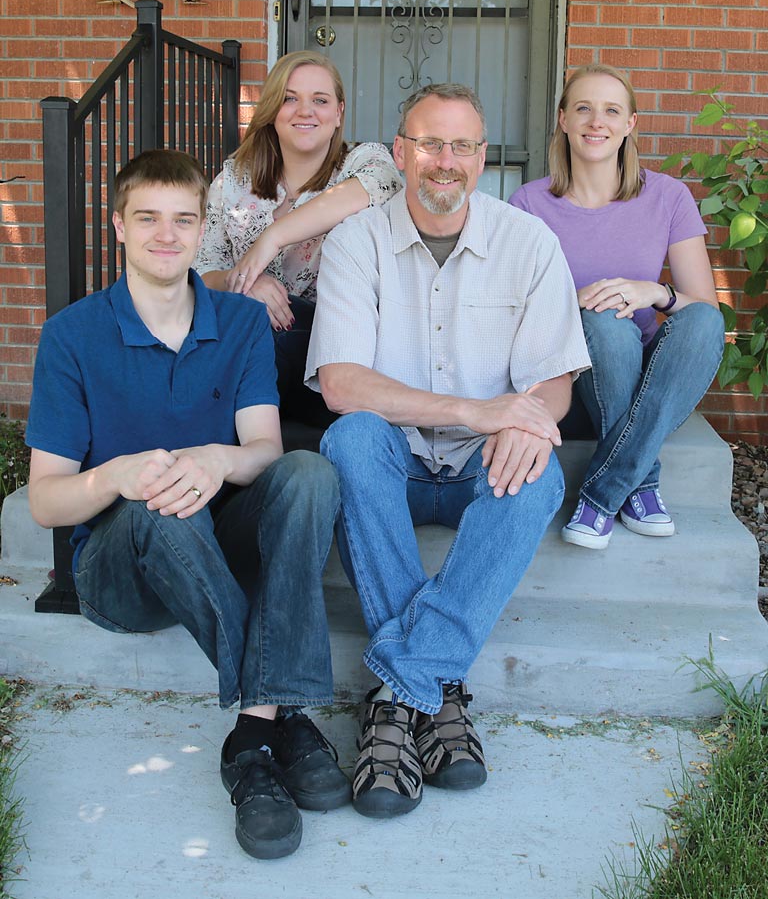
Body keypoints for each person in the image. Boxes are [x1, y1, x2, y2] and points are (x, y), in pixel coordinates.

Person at [25, 149, 349, 861]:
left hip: (213, 547)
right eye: (148, 219)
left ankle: (252, 736)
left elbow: (264, 448)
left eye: (182, 220)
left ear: (202, 227)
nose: (166, 236)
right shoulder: (72, 337)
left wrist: (215, 460)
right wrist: (118, 475)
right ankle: (281, 715)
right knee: (150, 503)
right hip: (123, 574)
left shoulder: (236, 323)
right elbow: (45, 503)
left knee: (309, 474)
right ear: (118, 225)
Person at [305, 83, 591, 819]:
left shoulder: (527, 243)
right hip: (393, 460)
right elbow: (339, 382)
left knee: (537, 477)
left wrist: (525, 422)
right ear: (399, 152)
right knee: (352, 437)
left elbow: (552, 382)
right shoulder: (354, 240)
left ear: (482, 156)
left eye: (462, 145)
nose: (445, 161)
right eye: (430, 143)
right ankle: (442, 694)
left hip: (478, 467)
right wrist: (475, 408)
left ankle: (402, 691)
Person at [509, 64, 724, 550]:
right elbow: (514, 313)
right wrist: (575, 306)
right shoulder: (528, 204)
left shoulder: (669, 196)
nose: (596, 121)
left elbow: (703, 307)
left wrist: (654, 292)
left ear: (630, 124)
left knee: (705, 321)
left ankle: (603, 495)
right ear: (563, 120)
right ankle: (640, 483)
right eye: (583, 108)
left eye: (611, 110)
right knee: (603, 320)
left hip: (654, 379)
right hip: (576, 382)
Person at [196, 51, 402, 424]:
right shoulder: (234, 180)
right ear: (273, 110)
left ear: (339, 112)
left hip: (334, 352)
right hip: (258, 349)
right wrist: (241, 281)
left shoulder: (363, 162)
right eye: (290, 98)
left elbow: (380, 185)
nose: (305, 111)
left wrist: (272, 237)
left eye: (319, 100)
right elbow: (202, 270)